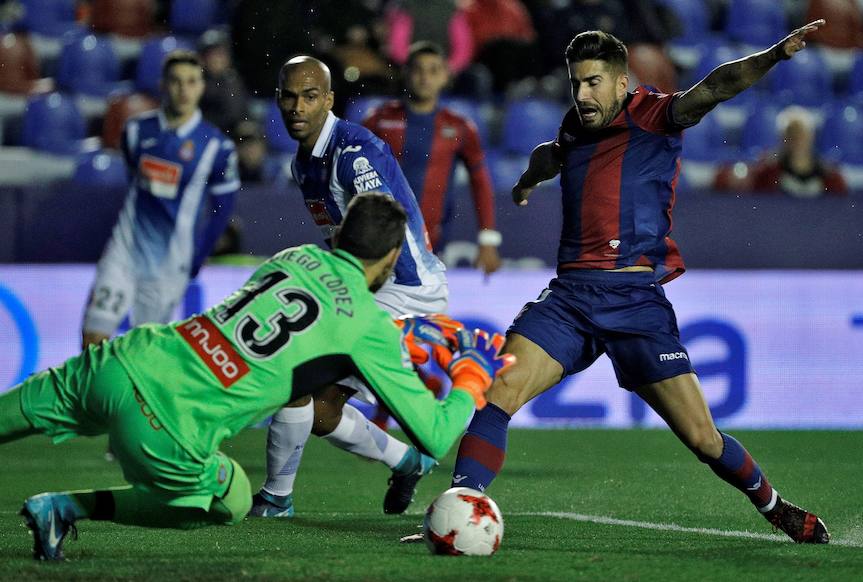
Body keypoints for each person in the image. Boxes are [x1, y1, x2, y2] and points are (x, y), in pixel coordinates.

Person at [440, 24, 832, 544]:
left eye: (594, 83)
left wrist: (776, 54)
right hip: (572, 299)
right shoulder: (575, 124)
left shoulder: (656, 116)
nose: (582, 95)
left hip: (634, 301)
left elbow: (717, 85)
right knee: (496, 394)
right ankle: (458, 511)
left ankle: (774, 506)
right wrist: (528, 180)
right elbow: (551, 152)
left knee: (703, 438)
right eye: (576, 83)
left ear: (622, 83)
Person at [1, 193, 514, 561]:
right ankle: (66, 507)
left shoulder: (294, 257)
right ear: (392, 258)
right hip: (170, 425)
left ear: (338, 235)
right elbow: (437, 433)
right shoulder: (366, 327)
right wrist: (471, 375)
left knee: (11, 414)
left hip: (127, 358)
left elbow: (295, 329)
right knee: (231, 501)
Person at [250, 56, 452, 519]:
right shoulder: (305, 163)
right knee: (320, 413)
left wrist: (337, 296)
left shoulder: (354, 154)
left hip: (403, 292)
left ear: (329, 100)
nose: (297, 107)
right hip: (368, 290)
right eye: (288, 96)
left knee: (295, 373)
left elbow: (384, 236)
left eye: (310, 96)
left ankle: (277, 497)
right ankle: (408, 461)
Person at [82, 50, 240, 349]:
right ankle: (89, 396)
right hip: (124, 252)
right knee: (92, 338)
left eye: (192, 82)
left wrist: (197, 256)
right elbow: (133, 180)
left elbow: (223, 208)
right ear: (163, 86)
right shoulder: (136, 131)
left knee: (143, 350)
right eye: (176, 81)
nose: (184, 90)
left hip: (170, 265)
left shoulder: (217, 147)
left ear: (202, 87)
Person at [363, 41, 502, 275]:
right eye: (418, 69)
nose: (424, 77)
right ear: (405, 74)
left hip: (432, 244)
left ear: (445, 76)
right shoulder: (377, 121)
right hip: (378, 242)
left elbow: (480, 182)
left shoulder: (459, 127)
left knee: (425, 312)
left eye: (433, 70)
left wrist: (488, 239)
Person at [714, 105, 848, 197]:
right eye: (791, 134)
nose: (796, 140)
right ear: (782, 138)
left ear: (810, 137)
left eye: (801, 134)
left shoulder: (828, 175)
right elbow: (729, 181)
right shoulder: (768, 171)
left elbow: (839, 201)